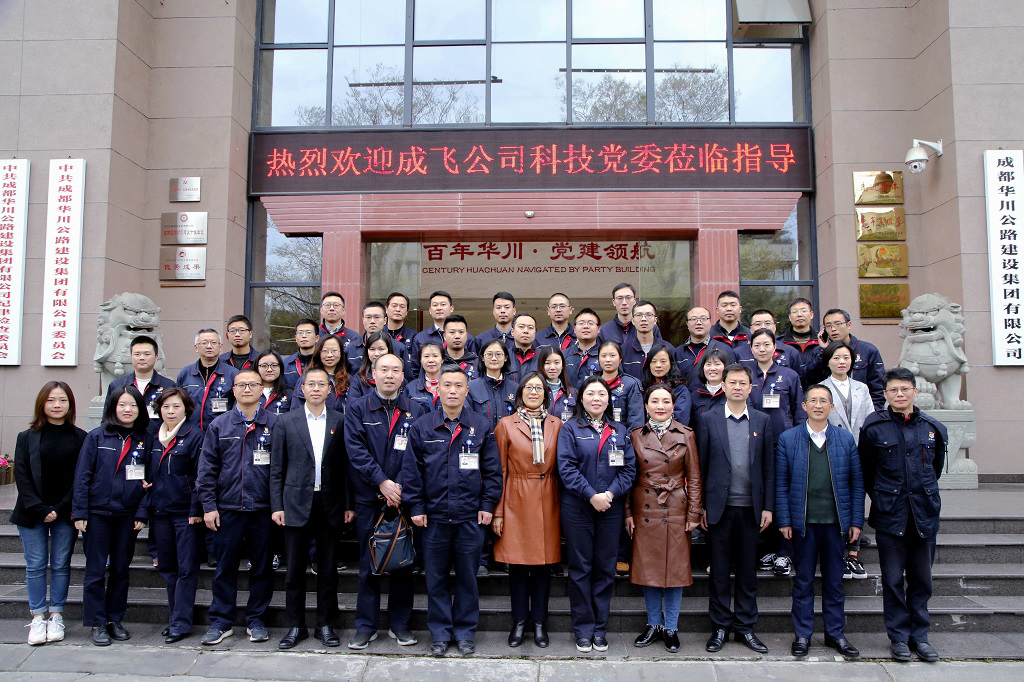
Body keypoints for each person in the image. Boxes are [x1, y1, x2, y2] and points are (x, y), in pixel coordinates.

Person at [402, 365, 502, 657]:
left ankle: (465, 633)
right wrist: (416, 506)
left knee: (468, 579)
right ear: (438, 389)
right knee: (436, 580)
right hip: (433, 519)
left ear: (467, 391)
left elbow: (492, 471)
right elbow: (412, 471)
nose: (453, 391)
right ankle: (441, 634)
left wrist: (487, 504)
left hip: (470, 518)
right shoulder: (423, 426)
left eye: (459, 386)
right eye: (447, 385)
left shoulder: (481, 426)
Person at [859, 368, 947, 663]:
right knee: (893, 580)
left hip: (923, 513)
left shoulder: (932, 428)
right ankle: (898, 637)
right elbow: (867, 471)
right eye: (893, 390)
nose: (899, 394)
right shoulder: (874, 428)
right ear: (885, 394)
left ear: (915, 392)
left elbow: (935, 469)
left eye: (905, 389)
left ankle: (920, 637)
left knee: (922, 580)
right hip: (890, 514)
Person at [345, 353, 427, 650]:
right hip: (370, 497)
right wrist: (381, 481)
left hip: (403, 499)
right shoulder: (357, 408)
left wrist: (399, 487)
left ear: (403, 376)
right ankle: (365, 626)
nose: (389, 375)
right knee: (368, 563)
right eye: (384, 370)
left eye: (395, 370)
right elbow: (355, 450)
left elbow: (418, 454)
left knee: (403, 562)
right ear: (373, 375)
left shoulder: (416, 409)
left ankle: (399, 625)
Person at [776, 384, 864, 659]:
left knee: (835, 582)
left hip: (835, 523)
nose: (818, 405)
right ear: (804, 406)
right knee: (803, 581)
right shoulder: (789, 438)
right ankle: (802, 634)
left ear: (831, 407)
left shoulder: (845, 439)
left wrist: (856, 521)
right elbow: (781, 483)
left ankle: (835, 633)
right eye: (813, 401)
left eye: (823, 401)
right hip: (802, 524)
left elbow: (856, 483)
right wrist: (784, 519)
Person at [196, 369, 277, 646]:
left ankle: (256, 620)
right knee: (225, 568)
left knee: (262, 568)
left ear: (262, 389)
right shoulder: (220, 425)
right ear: (233, 390)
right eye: (241, 385)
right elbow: (207, 469)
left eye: (253, 384)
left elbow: (282, 469)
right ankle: (221, 621)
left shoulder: (275, 424)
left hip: (263, 509)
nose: (247, 389)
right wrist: (209, 506)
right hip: (227, 508)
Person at [271, 368, 350, 650]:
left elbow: (345, 467)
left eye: (321, 384)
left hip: (329, 503)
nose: (316, 388)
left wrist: (348, 504)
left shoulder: (340, 421)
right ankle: (296, 625)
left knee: (328, 569)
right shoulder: (285, 421)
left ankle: (325, 624)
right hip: (294, 503)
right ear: (301, 389)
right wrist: (277, 505)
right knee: (294, 570)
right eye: (311, 384)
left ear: (330, 390)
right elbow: (277, 468)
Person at [697, 364, 774, 655]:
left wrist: (768, 507)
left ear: (750, 388)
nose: (738, 387)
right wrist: (701, 506)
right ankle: (719, 627)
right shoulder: (708, 419)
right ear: (724, 386)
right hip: (719, 508)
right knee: (718, 571)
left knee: (747, 572)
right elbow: (701, 467)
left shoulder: (763, 420)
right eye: (733, 382)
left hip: (751, 508)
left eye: (743, 383)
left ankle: (745, 627)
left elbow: (768, 468)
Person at [556, 376, 636, 653]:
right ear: (581, 399)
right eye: (590, 393)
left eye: (601, 393)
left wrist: (609, 495)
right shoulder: (570, 429)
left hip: (610, 509)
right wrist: (591, 495)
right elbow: (566, 469)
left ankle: (600, 629)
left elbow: (629, 470)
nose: (596, 398)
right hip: (578, 508)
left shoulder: (619, 430)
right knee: (580, 568)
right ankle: (583, 629)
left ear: (608, 399)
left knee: (605, 568)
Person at [626, 385, 702, 653]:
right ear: (646, 406)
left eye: (666, 401)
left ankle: (671, 627)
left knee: (675, 569)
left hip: (675, 507)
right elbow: (629, 477)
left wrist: (694, 513)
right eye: (655, 401)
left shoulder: (686, 434)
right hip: (645, 507)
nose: (660, 406)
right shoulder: (636, 435)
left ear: (673, 406)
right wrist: (627, 513)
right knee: (648, 568)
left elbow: (694, 477)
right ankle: (653, 624)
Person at [72, 385, 150, 646]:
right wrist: (80, 511)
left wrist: (142, 512)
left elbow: (151, 480)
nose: (128, 410)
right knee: (95, 571)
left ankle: (114, 619)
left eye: (133, 405)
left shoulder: (145, 439)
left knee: (120, 570)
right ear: (113, 407)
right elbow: (82, 476)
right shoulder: (97, 436)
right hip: (97, 514)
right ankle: (97, 623)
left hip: (127, 515)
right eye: (122, 405)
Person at [11, 382, 87, 645]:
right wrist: (40, 508)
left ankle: (56, 615)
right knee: (35, 565)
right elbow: (22, 476)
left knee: (61, 564)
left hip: (65, 512)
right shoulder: (26, 437)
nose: (57, 405)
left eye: (63, 400)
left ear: (70, 404)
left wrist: (59, 508)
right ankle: (37, 617)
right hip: (32, 512)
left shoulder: (80, 437)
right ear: (42, 403)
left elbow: (80, 477)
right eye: (51, 400)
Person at [492, 373, 562, 648]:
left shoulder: (557, 424)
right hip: (516, 499)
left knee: (544, 567)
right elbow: (499, 470)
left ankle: (540, 623)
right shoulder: (506, 424)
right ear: (520, 392)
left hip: (548, 498)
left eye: (539, 388)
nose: (534, 392)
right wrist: (498, 511)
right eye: (529, 387)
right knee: (518, 567)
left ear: (546, 393)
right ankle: (520, 621)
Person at [147, 388, 205, 643]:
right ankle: (174, 618)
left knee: (186, 569)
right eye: (166, 407)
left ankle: (181, 623)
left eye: (176, 407)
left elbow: (201, 476)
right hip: (160, 512)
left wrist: (196, 509)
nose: (171, 411)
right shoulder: (154, 438)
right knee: (168, 567)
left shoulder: (194, 436)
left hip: (185, 514)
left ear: (186, 409)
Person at [821, 341, 875, 580]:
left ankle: (853, 553)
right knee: (836, 500)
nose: (841, 362)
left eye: (845, 358)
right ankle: (836, 553)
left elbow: (870, 419)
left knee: (856, 498)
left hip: (860, 450)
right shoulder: (821, 389)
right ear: (828, 362)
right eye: (836, 358)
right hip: (832, 452)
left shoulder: (861, 388)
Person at [820, 308, 886, 408]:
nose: (833, 329)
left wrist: (873, 414)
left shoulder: (868, 350)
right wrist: (822, 350)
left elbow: (877, 388)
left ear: (849, 325)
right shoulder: (822, 352)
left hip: (862, 408)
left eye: (838, 324)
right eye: (828, 326)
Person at [176, 328, 238, 431]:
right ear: (196, 347)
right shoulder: (185, 374)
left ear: (220, 347)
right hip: (191, 433)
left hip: (222, 432)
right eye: (204, 343)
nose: (209, 346)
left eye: (214, 342)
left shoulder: (233, 374)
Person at [105, 335, 175, 425]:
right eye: (137, 354)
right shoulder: (117, 385)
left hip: (158, 433)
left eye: (147, 354)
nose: (142, 358)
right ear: (131, 356)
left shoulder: (168, 386)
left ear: (156, 357)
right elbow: (107, 419)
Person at [411, 291, 474, 376]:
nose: (439, 308)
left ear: (451, 308)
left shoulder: (467, 338)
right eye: (435, 305)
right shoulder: (420, 338)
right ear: (430, 310)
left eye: (443, 304)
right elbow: (415, 369)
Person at [675, 307, 736, 387]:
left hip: (715, 394)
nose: (699, 322)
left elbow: (732, 378)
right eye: (693, 319)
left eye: (703, 318)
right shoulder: (678, 352)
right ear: (687, 323)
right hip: (686, 394)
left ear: (710, 322)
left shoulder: (725, 349)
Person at [468, 339, 519, 434]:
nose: (494, 358)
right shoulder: (471, 387)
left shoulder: (515, 388)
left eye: (498, 354)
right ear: (482, 358)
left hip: (509, 439)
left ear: (505, 358)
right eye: (489, 354)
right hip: (481, 440)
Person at [290, 334, 349, 413]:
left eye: (334, 350)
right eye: (325, 351)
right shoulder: (307, 379)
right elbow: (295, 410)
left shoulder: (348, 380)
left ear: (341, 353)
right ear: (318, 353)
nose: (330, 355)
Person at [596, 340, 643, 432]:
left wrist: (627, 439)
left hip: (622, 436)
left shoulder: (631, 383)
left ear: (620, 358)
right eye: (603, 356)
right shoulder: (591, 384)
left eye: (612, 355)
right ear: (598, 359)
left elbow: (636, 421)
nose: (608, 360)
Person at [345, 301, 405, 374]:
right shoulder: (351, 348)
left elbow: (407, 377)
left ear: (385, 320)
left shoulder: (399, 347)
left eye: (377, 317)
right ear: (363, 320)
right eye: (368, 317)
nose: (372, 321)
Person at [641, 342, 691, 426]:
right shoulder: (643, 387)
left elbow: (681, 418)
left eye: (663, 361)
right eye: (654, 361)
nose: (658, 365)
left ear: (671, 363)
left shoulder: (680, 389)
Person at [734, 309, 800, 373]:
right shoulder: (738, 353)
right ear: (750, 329)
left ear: (774, 327)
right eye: (758, 324)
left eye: (767, 323)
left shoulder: (790, 352)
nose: (763, 327)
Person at [621, 300, 671, 381]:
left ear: (655, 320)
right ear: (633, 321)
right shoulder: (623, 350)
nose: (643, 319)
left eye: (648, 315)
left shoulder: (668, 348)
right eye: (639, 315)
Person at [779, 298, 823, 387]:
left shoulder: (822, 342)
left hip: (818, 390)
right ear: (790, 317)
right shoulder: (780, 343)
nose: (799, 315)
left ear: (811, 314)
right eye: (795, 312)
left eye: (803, 311)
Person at [347, 331, 397, 403]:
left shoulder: (397, 378)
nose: (376, 354)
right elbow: (352, 406)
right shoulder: (358, 380)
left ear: (389, 350)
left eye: (381, 349)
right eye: (372, 349)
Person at [689, 349, 731, 425]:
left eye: (717, 364)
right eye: (708, 364)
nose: (712, 368)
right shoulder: (695, 396)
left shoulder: (732, 394)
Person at [537, 346, 576, 421]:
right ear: (541, 365)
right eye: (547, 363)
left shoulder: (572, 393)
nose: (552, 367)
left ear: (562, 365)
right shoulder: (535, 391)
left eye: (557, 363)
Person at [565, 308, 601, 387]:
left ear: (598, 329)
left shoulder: (605, 355)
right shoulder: (563, 355)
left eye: (591, 323)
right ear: (574, 329)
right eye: (581, 323)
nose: (586, 326)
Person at [384, 292, 418, 375]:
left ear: (407, 312)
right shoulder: (378, 335)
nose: (398, 309)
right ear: (386, 309)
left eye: (402, 306)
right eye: (394, 305)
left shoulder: (414, 337)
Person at [406, 341, 444, 411]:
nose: (431, 360)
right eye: (426, 356)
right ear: (420, 360)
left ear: (442, 360)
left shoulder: (451, 386)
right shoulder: (411, 388)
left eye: (435, 356)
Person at [282, 318, 319, 390]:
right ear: (296, 338)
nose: (304, 336)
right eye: (300, 332)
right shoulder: (286, 364)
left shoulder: (324, 361)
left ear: (317, 338)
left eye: (308, 332)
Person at [443, 314, 479, 380]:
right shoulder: (438, 362)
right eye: (452, 332)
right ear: (444, 336)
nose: (457, 336)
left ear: (466, 336)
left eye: (461, 332)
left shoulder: (477, 363)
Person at [256, 350, 291, 415]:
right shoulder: (249, 391)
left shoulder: (290, 393)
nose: (269, 370)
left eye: (274, 365)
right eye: (264, 366)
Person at [509, 313, 540, 380]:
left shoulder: (543, 357)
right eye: (521, 327)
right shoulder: (505, 356)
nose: (526, 331)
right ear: (512, 331)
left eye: (530, 328)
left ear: (535, 332)